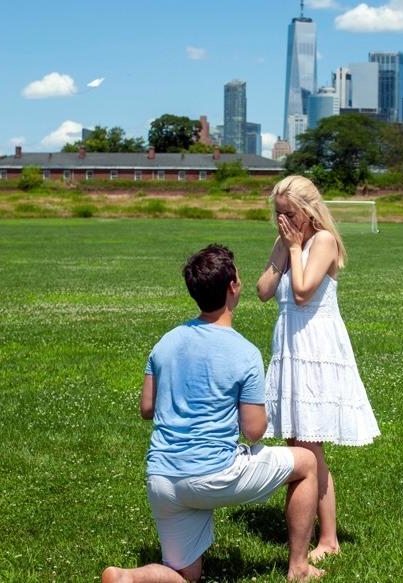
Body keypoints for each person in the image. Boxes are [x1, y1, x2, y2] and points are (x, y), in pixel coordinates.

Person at [102, 244, 323, 583]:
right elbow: (254, 431)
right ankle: (299, 567)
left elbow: (147, 408)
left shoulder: (165, 342)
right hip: (212, 475)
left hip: (162, 479)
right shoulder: (244, 352)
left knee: (187, 576)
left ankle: (127, 578)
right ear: (233, 286)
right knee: (306, 463)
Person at [257, 175, 381, 562]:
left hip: (315, 348)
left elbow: (302, 291)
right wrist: (283, 249)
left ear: (308, 210)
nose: (283, 221)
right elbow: (263, 291)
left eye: (289, 213)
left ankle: (328, 539)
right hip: (290, 346)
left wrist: (295, 248)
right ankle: (306, 532)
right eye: (278, 214)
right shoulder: (285, 241)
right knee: (296, 445)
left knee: (310, 446)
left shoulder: (323, 241)